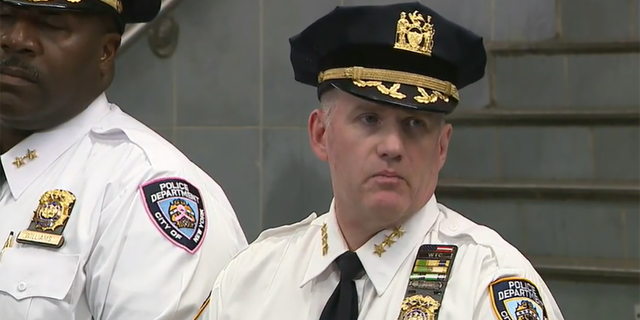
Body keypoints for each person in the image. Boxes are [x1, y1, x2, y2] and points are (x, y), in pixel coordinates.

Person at [201, 2, 566, 320]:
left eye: (415, 124)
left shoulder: (485, 285)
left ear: (441, 147)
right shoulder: (252, 279)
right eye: (369, 119)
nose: (392, 146)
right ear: (321, 134)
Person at [0, 0, 248, 319]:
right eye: (4, 16)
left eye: (50, 24)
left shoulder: (139, 188)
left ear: (105, 52)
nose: (16, 39)